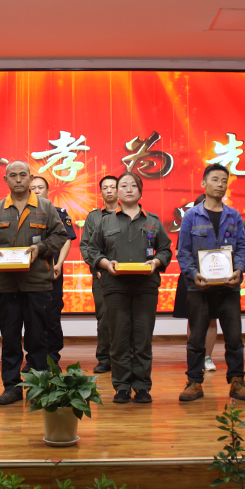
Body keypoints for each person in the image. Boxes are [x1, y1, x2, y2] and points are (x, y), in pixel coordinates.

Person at [0, 161, 69, 405]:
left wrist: (41, 248)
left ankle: (38, 387)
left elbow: (60, 236)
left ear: (30, 178)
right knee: (9, 339)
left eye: (22, 175)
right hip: (5, 285)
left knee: (38, 338)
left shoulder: (45, 207)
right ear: (5, 180)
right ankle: (11, 387)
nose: (18, 180)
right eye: (13, 176)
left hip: (37, 284)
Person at [87, 172, 172, 404]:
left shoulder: (153, 221)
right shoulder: (105, 221)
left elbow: (165, 249)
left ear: (140, 190)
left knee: (143, 338)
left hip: (146, 287)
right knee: (118, 338)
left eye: (133, 185)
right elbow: (93, 250)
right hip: (115, 287)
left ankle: (142, 386)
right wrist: (106, 264)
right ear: (117, 192)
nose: (128, 189)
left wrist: (156, 262)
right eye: (123, 186)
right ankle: (122, 386)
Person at [176, 164, 245, 402]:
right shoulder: (191, 216)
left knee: (234, 338)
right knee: (196, 338)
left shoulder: (234, 216)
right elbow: (183, 252)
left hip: (229, 287)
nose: (220, 184)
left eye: (224, 180)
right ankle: (194, 382)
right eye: (215, 179)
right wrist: (193, 274)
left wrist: (239, 269)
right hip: (199, 287)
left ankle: (237, 382)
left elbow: (243, 249)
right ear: (204, 184)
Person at [25, 175, 77, 370]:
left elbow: (67, 239)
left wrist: (60, 263)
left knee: (52, 315)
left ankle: (52, 358)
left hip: (52, 271)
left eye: (40, 187)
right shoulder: (23, 214)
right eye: (33, 188)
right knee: (31, 317)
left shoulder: (59, 213)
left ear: (48, 191)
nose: (37, 191)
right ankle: (33, 359)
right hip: (29, 273)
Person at [172, 195, 218, 374]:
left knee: (212, 318)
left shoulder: (222, 224)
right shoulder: (188, 224)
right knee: (193, 318)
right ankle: (195, 357)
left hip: (215, 277)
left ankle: (208, 357)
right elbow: (179, 251)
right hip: (191, 278)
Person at [79, 175, 119, 374]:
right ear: (101, 191)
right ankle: (104, 358)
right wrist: (97, 268)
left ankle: (124, 357)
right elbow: (86, 246)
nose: (109, 190)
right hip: (101, 276)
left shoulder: (130, 214)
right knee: (104, 318)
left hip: (127, 275)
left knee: (126, 317)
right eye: (105, 187)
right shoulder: (93, 217)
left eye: (113, 187)